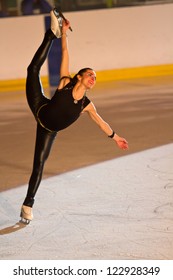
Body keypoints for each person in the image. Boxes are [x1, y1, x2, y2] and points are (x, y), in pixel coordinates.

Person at [20, 8, 129, 224]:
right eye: (90, 74)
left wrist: (115, 137)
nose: (93, 78)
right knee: (32, 70)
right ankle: (49, 35)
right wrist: (63, 32)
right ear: (79, 76)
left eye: (95, 77)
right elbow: (66, 55)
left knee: (38, 166)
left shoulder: (87, 105)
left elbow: (101, 123)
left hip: (49, 130)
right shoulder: (65, 83)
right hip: (39, 106)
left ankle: (27, 206)